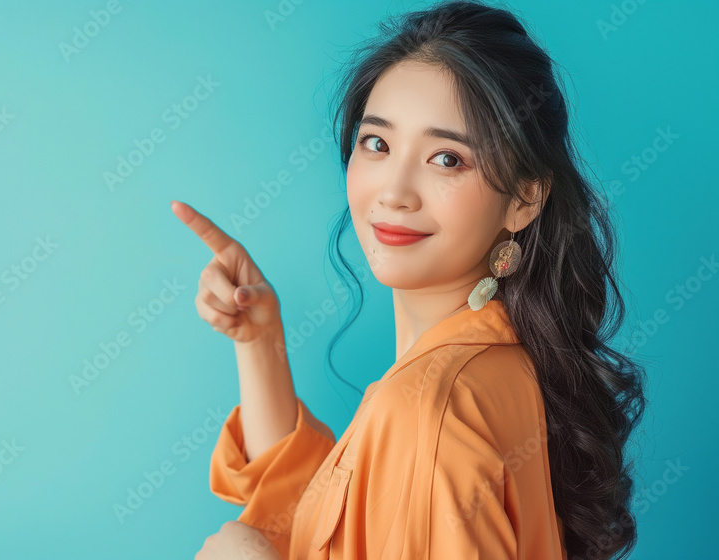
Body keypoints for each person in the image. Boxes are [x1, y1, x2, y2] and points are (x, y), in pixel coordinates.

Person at [175, 1, 647, 558]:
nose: (394, 191)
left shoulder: (430, 410)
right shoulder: (497, 365)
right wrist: (260, 344)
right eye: (377, 144)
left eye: (447, 158)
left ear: (524, 199)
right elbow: (323, 520)